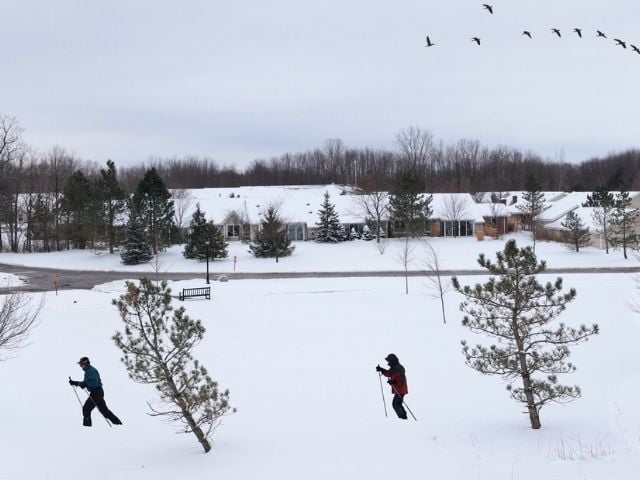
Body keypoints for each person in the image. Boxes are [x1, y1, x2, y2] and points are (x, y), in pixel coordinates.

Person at [69, 357, 122, 426]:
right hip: (97, 392)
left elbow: (94, 383)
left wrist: (84, 384)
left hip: (96, 392)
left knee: (86, 409)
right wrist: (75, 383)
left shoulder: (91, 371)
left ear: (85, 363)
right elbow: (85, 383)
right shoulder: (88, 371)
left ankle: (87, 428)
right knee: (105, 411)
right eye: (80, 365)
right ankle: (118, 424)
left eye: (81, 364)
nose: (80, 366)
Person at [376, 353, 408, 420]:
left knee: (396, 405)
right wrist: (381, 369)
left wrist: (393, 382)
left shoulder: (399, 368)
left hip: (401, 390)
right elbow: (389, 373)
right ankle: (404, 417)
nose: (388, 362)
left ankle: (403, 418)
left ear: (392, 360)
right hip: (398, 390)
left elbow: (401, 381)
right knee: (397, 404)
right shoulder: (394, 367)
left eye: (388, 360)